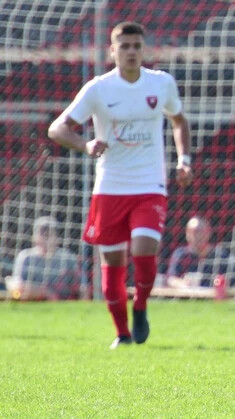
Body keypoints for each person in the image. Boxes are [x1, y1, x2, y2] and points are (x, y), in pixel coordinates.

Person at [48, 21, 192, 349]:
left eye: (136, 46)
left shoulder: (161, 84)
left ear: (144, 51)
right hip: (110, 186)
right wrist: (85, 145)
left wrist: (184, 160)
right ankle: (122, 333)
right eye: (124, 46)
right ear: (112, 51)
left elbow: (179, 121)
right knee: (113, 263)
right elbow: (57, 129)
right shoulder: (98, 89)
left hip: (149, 184)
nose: (130, 52)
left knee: (144, 249)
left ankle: (140, 305)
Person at [10, 216, 79, 300]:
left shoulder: (68, 258)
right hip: (31, 302)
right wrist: (46, 292)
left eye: (49, 234)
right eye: (42, 234)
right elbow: (16, 286)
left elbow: (81, 287)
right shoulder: (26, 257)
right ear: (34, 237)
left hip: (62, 303)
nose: (46, 238)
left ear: (57, 238)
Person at [167, 215, 235, 288]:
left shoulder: (222, 256)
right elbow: (171, 279)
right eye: (193, 231)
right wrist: (182, 284)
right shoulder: (181, 254)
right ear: (187, 234)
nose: (198, 235)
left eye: (201, 231)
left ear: (209, 232)